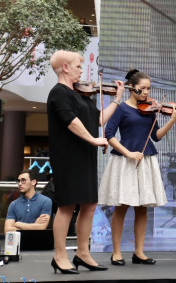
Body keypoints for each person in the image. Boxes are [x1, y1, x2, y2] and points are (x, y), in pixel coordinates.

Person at [47, 50, 123, 274]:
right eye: (78, 66)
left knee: (89, 204)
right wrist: (93, 139)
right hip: (68, 156)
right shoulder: (58, 93)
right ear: (65, 67)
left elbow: (99, 120)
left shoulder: (81, 95)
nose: (82, 70)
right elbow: (71, 121)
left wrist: (117, 99)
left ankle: (82, 253)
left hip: (85, 154)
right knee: (67, 205)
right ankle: (59, 256)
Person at [98, 69, 176, 266]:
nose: (146, 92)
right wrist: (128, 153)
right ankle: (116, 252)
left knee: (142, 208)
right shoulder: (122, 108)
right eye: (142, 88)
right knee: (121, 207)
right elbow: (109, 135)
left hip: (145, 159)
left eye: (148, 88)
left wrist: (172, 120)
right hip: (125, 160)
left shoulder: (150, 109)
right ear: (131, 88)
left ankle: (139, 252)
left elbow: (156, 136)